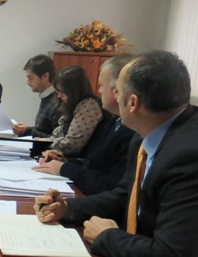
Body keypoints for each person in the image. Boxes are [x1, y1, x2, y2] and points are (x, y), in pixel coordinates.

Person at [35, 51, 198, 257]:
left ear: (132, 102)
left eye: (117, 91)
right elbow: (125, 196)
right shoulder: (149, 133)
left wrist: (107, 237)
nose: (111, 96)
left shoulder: (196, 157)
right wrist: (68, 208)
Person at [33, 55, 138, 194]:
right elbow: (93, 164)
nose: (99, 91)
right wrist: (65, 162)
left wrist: (65, 168)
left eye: (101, 86)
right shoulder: (115, 122)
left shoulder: (132, 131)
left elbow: (111, 186)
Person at [45, 66, 103, 157]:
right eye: (57, 91)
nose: (59, 96)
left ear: (74, 91)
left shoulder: (89, 105)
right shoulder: (73, 106)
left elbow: (72, 144)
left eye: (62, 92)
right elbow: (59, 134)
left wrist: (48, 146)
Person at [13, 54, 62, 137]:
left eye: (31, 78)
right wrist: (26, 130)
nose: (28, 82)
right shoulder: (46, 98)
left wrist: (27, 131)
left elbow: (56, 139)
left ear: (45, 76)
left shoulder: (57, 102)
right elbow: (43, 130)